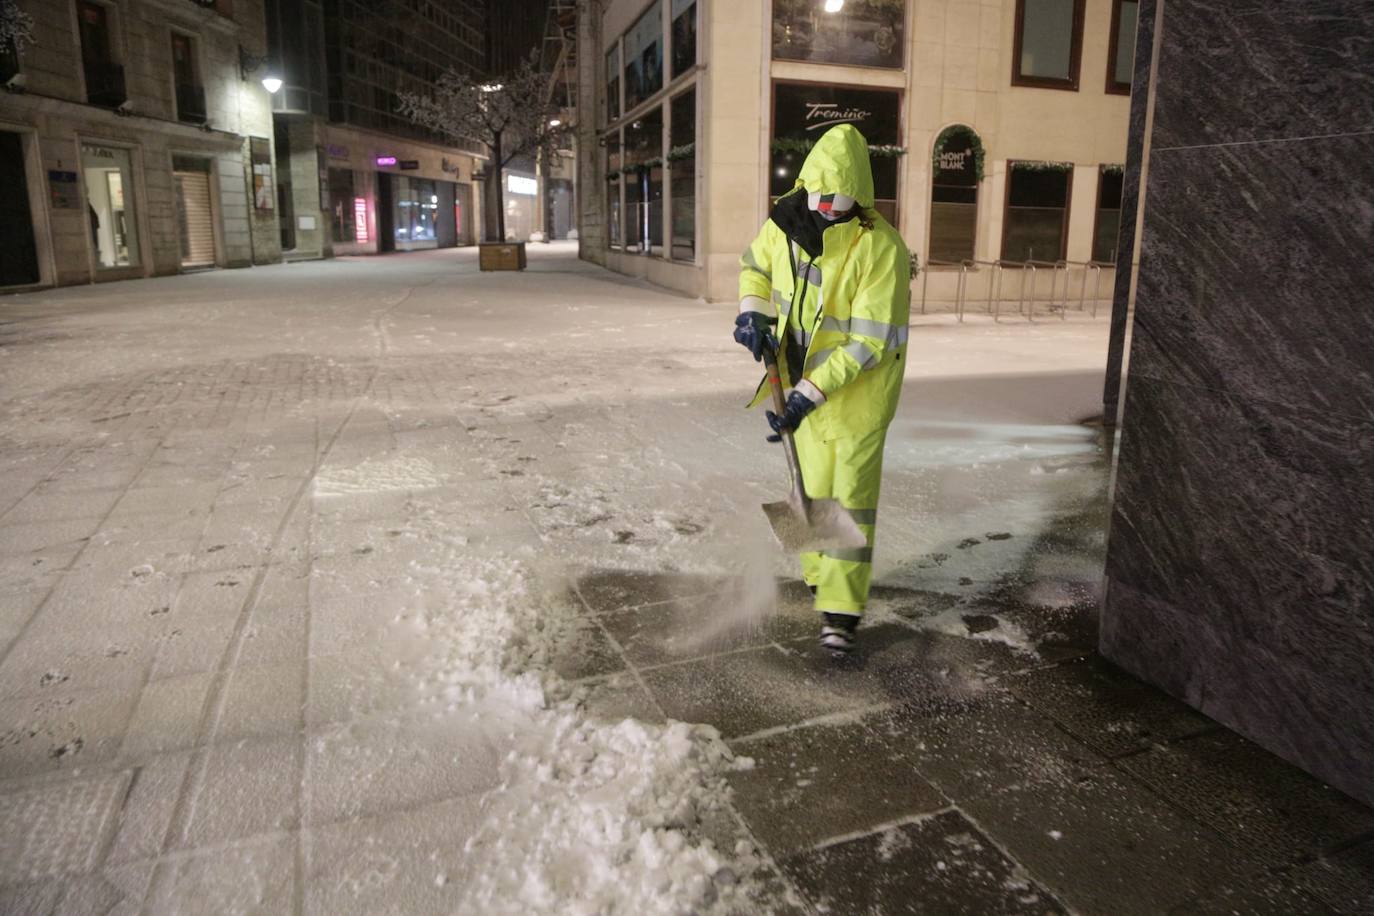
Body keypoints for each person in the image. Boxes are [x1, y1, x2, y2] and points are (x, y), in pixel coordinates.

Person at [734, 123, 911, 655]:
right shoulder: (783, 227)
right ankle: (818, 578)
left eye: (844, 196)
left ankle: (841, 612)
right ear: (807, 185)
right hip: (796, 383)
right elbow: (755, 269)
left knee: (850, 500)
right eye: (823, 194)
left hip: (857, 397)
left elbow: (869, 341)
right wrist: (752, 316)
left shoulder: (881, 248)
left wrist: (812, 391)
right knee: (806, 489)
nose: (832, 205)